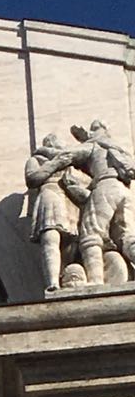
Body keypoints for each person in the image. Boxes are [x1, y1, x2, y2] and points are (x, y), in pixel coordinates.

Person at [50, 122, 135, 285]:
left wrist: (47, 153)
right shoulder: (118, 148)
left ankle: (95, 281)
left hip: (105, 187)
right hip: (124, 191)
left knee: (91, 236)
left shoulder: (94, 146)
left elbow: (67, 155)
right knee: (126, 236)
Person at [24, 134, 86, 290]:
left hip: (70, 199)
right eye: (59, 144)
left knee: (72, 245)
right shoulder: (37, 159)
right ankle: (52, 282)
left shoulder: (72, 161)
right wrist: (55, 163)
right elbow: (32, 178)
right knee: (50, 236)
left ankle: (66, 278)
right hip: (50, 194)